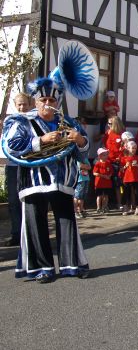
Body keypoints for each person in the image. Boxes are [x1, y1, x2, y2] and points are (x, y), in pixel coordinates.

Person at [2, 76, 90, 283]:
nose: (48, 104)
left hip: (62, 180)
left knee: (67, 221)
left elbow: (83, 153)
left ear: (57, 102)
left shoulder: (69, 122)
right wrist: (40, 140)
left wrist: (79, 140)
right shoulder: (22, 121)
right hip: (34, 181)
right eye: (43, 100)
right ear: (36, 101)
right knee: (35, 223)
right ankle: (42, 268)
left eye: (52, 100)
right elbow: (11, 146)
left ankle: (71, 265)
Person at [3, 92, 31, 246]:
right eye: (19, 104)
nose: (22, 107)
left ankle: (29, 235)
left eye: (25, 104)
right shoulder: (10, 121)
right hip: (12, 166)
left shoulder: (33, 120)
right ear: (15, 105)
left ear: (30, 105)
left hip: (28, 165)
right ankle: (16, 234)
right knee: (13, 201)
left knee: (28, 201)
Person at [104, 116, 125, 210]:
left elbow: (125, 147)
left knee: (118, 184)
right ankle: (106, 204)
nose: (108, 125)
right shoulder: (108, 133)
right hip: (109, 161)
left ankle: (120, 203)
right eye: (108, 123)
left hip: (119, 162)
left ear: (115, 124)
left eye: (110, 123)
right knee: (107, 183)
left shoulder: (122, 134)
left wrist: (120, 158)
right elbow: (105, 145)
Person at [120, 140, 138, 215]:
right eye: (132, 148)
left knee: (137, 193)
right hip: (126, 179)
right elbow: (121, 169)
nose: (134, 150)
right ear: (128, 148)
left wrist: (137, 165)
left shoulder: (137, 157)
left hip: (135, 178)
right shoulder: (123, 158)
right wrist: (125, 166)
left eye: (135, 148)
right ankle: (125, 208)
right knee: (126, 193)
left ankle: (137, 208)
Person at [93, 147, 113, 214]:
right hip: (99, 184)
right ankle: (98, 208)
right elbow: (94, 173)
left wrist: (109, 176)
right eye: (104, 155)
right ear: (100, 156)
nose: (106, 156)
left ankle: (105, 207)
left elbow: (111, 171)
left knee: (106, 195)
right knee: (99, 196)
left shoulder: (108, 163)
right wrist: (103, 176)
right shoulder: (97, 164)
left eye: (107, 154)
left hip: (107, 183)